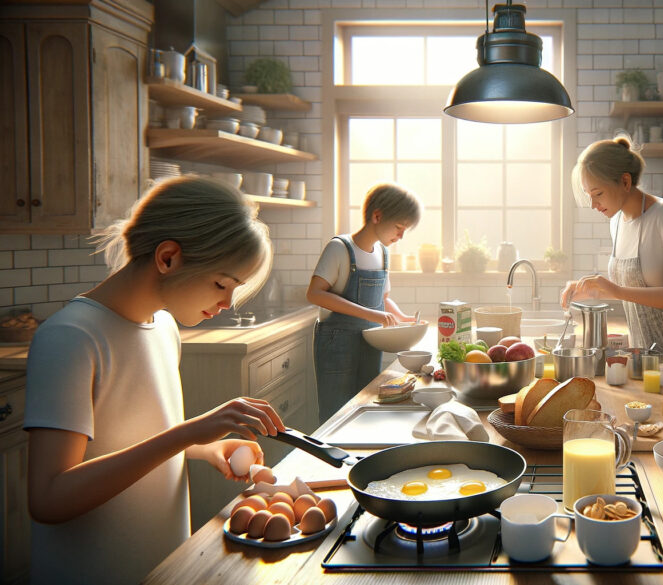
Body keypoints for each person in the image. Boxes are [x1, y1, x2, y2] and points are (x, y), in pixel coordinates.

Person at [23, 176, 287, 585]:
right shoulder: (71, 337)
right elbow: (50, 498)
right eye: (221, 284)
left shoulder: (163, 326)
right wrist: (188, 434)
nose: (226, 304)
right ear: (168, 258)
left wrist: (206, 448)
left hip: (162, 567)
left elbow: (135, 441)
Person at [561, 135, 663, 368]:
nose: (592, 204)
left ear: (625, 182)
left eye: (598, 194)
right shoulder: (616, 222)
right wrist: (588, 290)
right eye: (589, 195)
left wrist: (615, 290)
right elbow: (630, 292)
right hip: (643, 362)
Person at [307, 183, 421, 423]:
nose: (400, 236)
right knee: (335, 413)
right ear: (377, 216)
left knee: (366, 406)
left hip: (369, 342)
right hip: (336, 343)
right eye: (399, 228)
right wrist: (372, 315)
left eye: (404, 230)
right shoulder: (339, 248)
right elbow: (315, 294)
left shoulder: (382, 252)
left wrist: (402, 318)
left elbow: (383, 298)